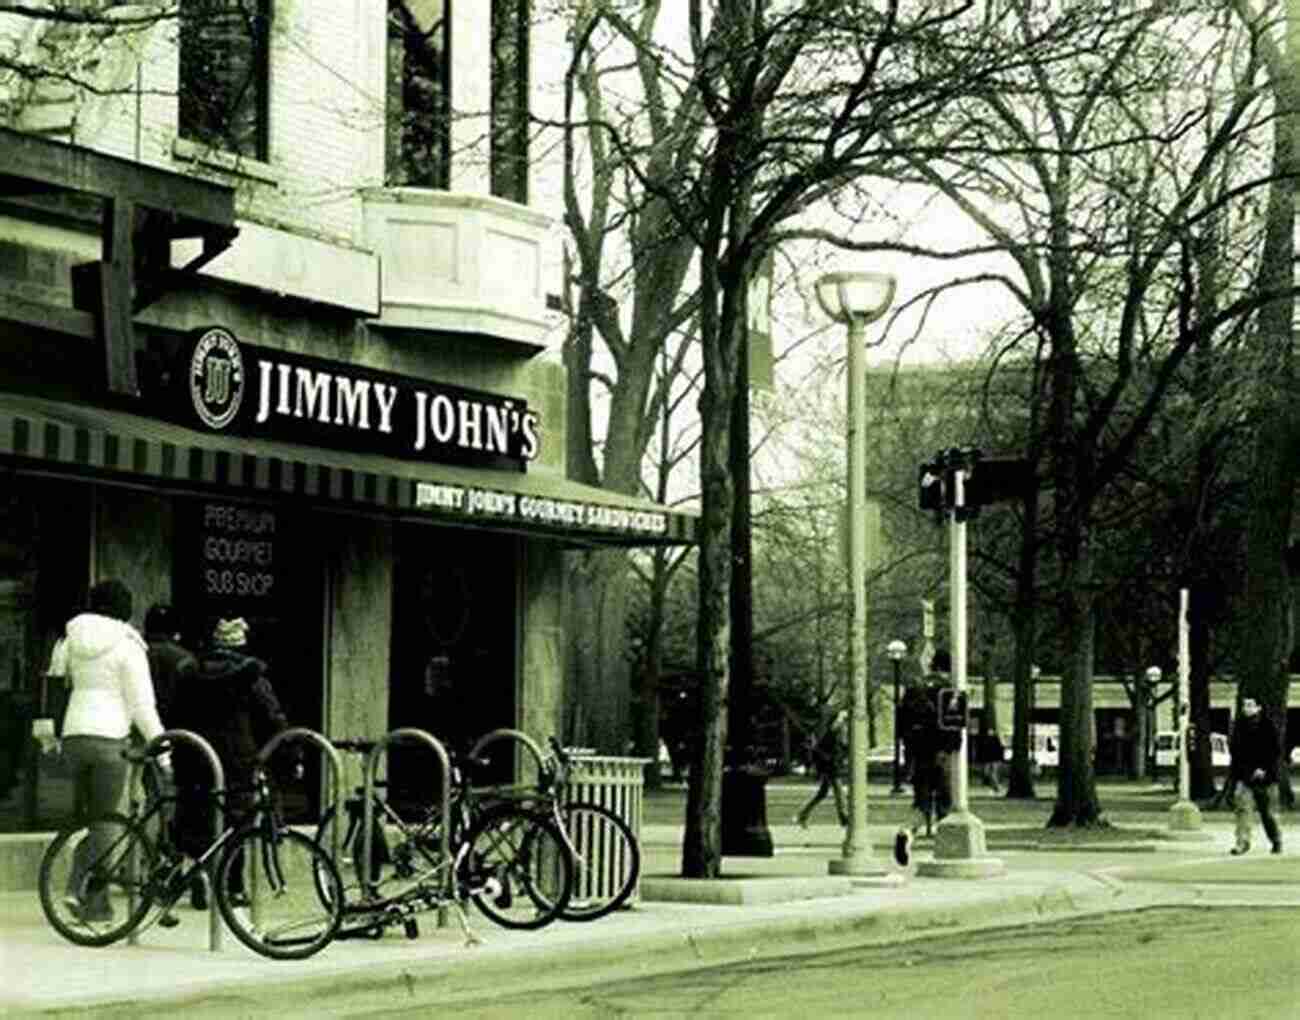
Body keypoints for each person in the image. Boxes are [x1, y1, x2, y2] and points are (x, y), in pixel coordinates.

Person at [51, 579, 170, 922]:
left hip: (73, 737)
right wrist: (163, 753)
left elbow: (59, 685)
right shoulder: (129, 645)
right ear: (125, 609)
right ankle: (87, 894)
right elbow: (142, 706)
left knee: (86, 818)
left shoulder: (69, 640)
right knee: (106, 821)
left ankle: (85, 894)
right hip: (109, 739)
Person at [171, 616, 292, 909]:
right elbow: (272, 717)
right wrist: (288, 755)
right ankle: (233, 886)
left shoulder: (190, 673)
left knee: (197, 814)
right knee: (237, 820)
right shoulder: (251, 676)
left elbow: (174, 713)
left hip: (194, 756)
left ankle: (198, 874)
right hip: (237, 758)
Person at [894, 649, 958, 866]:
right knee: (945, 803)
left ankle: (907, 831)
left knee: (921, 803)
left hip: (918, 753)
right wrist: (952, 747)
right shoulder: (948, 689)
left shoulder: (914, 687)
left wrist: (908, 749)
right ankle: (946, 850)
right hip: (942, 753)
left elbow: (900, 722)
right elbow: (953, 723)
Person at [1228, 696, 1283, 856]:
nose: (1247, 708)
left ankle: (1276, 839)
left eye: (1251, 705)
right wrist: (1243, 773)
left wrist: (1264, 768)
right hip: (1244, 776)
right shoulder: (1239, 727)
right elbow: (1236, 752)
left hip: (1267, 777)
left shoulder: (1268, 725)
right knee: (1243, 809)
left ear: (1259, 707)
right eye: (1245, 705)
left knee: (1269, 813)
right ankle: (1242, 842)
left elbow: (1275, 751)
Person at [794, 709, 848, 829]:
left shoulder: (836, 733)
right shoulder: (832, 733)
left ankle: (802, 815)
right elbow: (822, 750)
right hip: (831, 767)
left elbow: (838, 749)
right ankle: (844, 818)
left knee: (822, 793)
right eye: (842, 720)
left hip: (831, 766)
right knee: (839, 792)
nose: (843, 723)